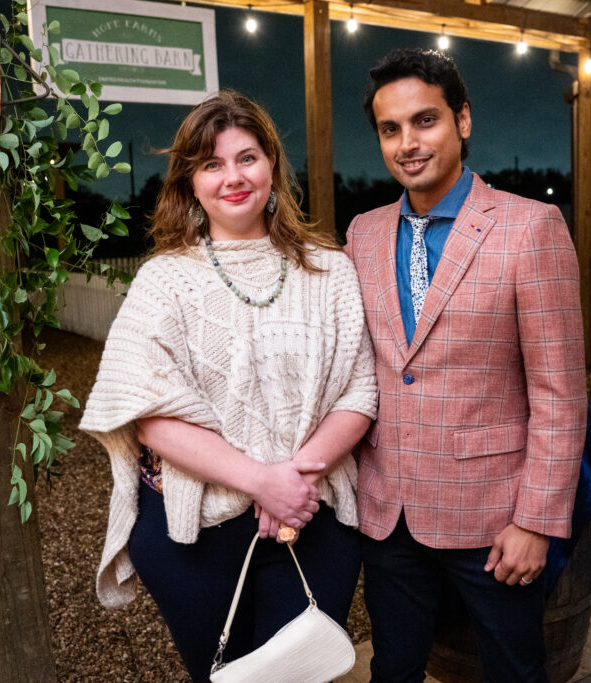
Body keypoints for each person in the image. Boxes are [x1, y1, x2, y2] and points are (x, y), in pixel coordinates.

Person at [79, 90, 378, 682]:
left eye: (247, 158)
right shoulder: (162, 281)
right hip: (197, 536)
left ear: (272, 165)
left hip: (310, 517)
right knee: (227, 676)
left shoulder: (331, 269)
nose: (233, 178)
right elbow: (147, 412)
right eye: (211, 165)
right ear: (190, 182)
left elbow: (360, 391)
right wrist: (262, 482)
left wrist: (297, 479)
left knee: (303, 673)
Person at [344, 47, 587, 682]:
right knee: (393, 669)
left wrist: (536, 520)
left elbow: (560, 392)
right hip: (388, 509)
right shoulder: (362, 234)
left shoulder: (529, 228)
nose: (406, 144)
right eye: (389, 129)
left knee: (514, 671)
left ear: (464, 121)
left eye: (424, 121)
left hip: (492, 515)